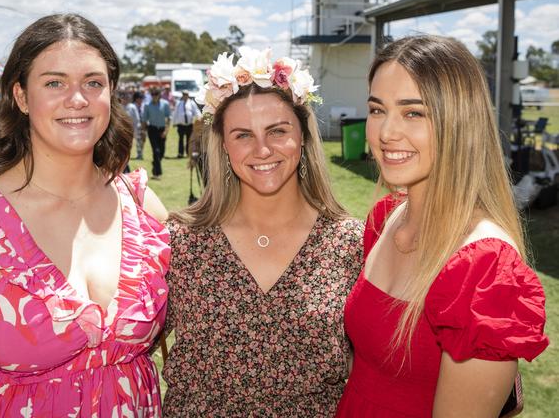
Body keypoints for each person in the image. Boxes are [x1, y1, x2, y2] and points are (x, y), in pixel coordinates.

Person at [0, 13, 170, 417]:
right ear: (21, 96)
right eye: (54, 83)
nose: (77, 99)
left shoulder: (141, 206)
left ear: (111, 92)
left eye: (93, 83)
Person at [335, 35, 549, 417]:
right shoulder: (385, 218)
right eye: (377, 109)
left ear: (461, 122)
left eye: (413, 112)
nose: (385, 133)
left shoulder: (484, 270)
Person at [162, 48, 365, 415]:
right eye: (243, 135)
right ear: (223, 145)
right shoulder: (181, 241)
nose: (262, 149)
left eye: (277, 131)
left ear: (302, 136)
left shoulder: (349, 243)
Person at [142, 88, 171, 180]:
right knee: (156, 151)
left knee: (161, 152)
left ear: (159, 95)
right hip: (152, 130)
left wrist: (166, 131)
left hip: (162, 130)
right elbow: (144, 119)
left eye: (156, 95)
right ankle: (157, 173)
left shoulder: (165, 104)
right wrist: (143, 131)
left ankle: (155, 163)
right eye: (152, 95)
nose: (154, 97)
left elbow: (168, 118)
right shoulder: (147, 105)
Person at [171, 90, 200, 158]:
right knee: (181, 139)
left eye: (186, 94)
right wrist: (174, 122)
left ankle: (188, 153)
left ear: (188, 95)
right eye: (184, 94)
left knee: (189, 139)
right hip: (181, 124)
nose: (185, 96)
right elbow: (175, 113)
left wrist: (199, 117)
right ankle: (180, 153)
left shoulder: (191, 103)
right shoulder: (179, 103)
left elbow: (196, 111)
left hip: (189, 124)